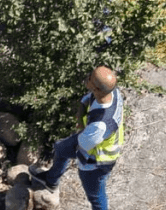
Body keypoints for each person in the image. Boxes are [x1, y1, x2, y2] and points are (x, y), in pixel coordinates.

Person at [31, 66, 125, 210]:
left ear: (97, 89)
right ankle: (51, 181)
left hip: (98, 160)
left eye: (89, 78)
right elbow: (88, 98)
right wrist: (80, 119)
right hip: (89, 139)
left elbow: (83, 146)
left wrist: (82, 164)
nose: (87, 77)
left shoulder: (101, 124)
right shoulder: (113, 93)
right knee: (61, 148)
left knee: (96, 197)